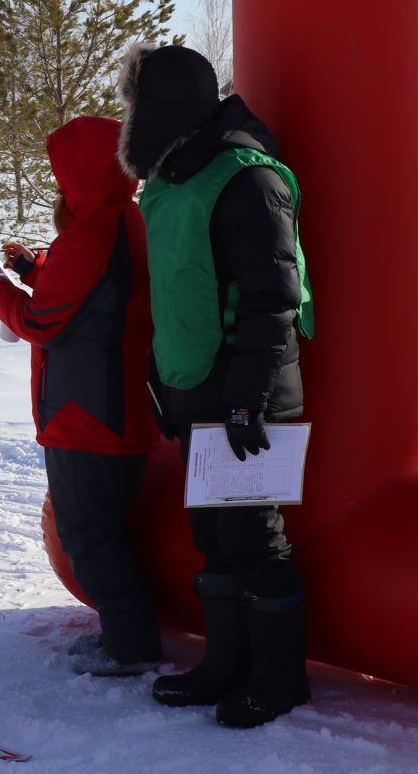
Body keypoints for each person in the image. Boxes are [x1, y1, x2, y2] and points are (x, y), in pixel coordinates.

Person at [117, 42, 314, 729]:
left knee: (256, 538)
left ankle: (280, 680)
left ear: (165, 107)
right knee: (214, 539)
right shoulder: (174, 183)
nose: (127, 115)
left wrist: (247, 398)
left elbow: (273, 300)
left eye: (135, 101)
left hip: (248, 394)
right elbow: (173, 297)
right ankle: (226, 665)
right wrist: (163, 389)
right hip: (196, 389)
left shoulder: (248, 179)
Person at [0, 115, 162, 677]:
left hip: (89, 411)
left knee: (88, 534)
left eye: (62, 173)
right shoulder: (118, 217)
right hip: (109, 405)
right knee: (104, 528)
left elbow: (44, 319)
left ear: (79, 173)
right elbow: (89, 293)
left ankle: (129, 646)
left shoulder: (92, 231)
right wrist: (32, 265)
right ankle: (129, 634)